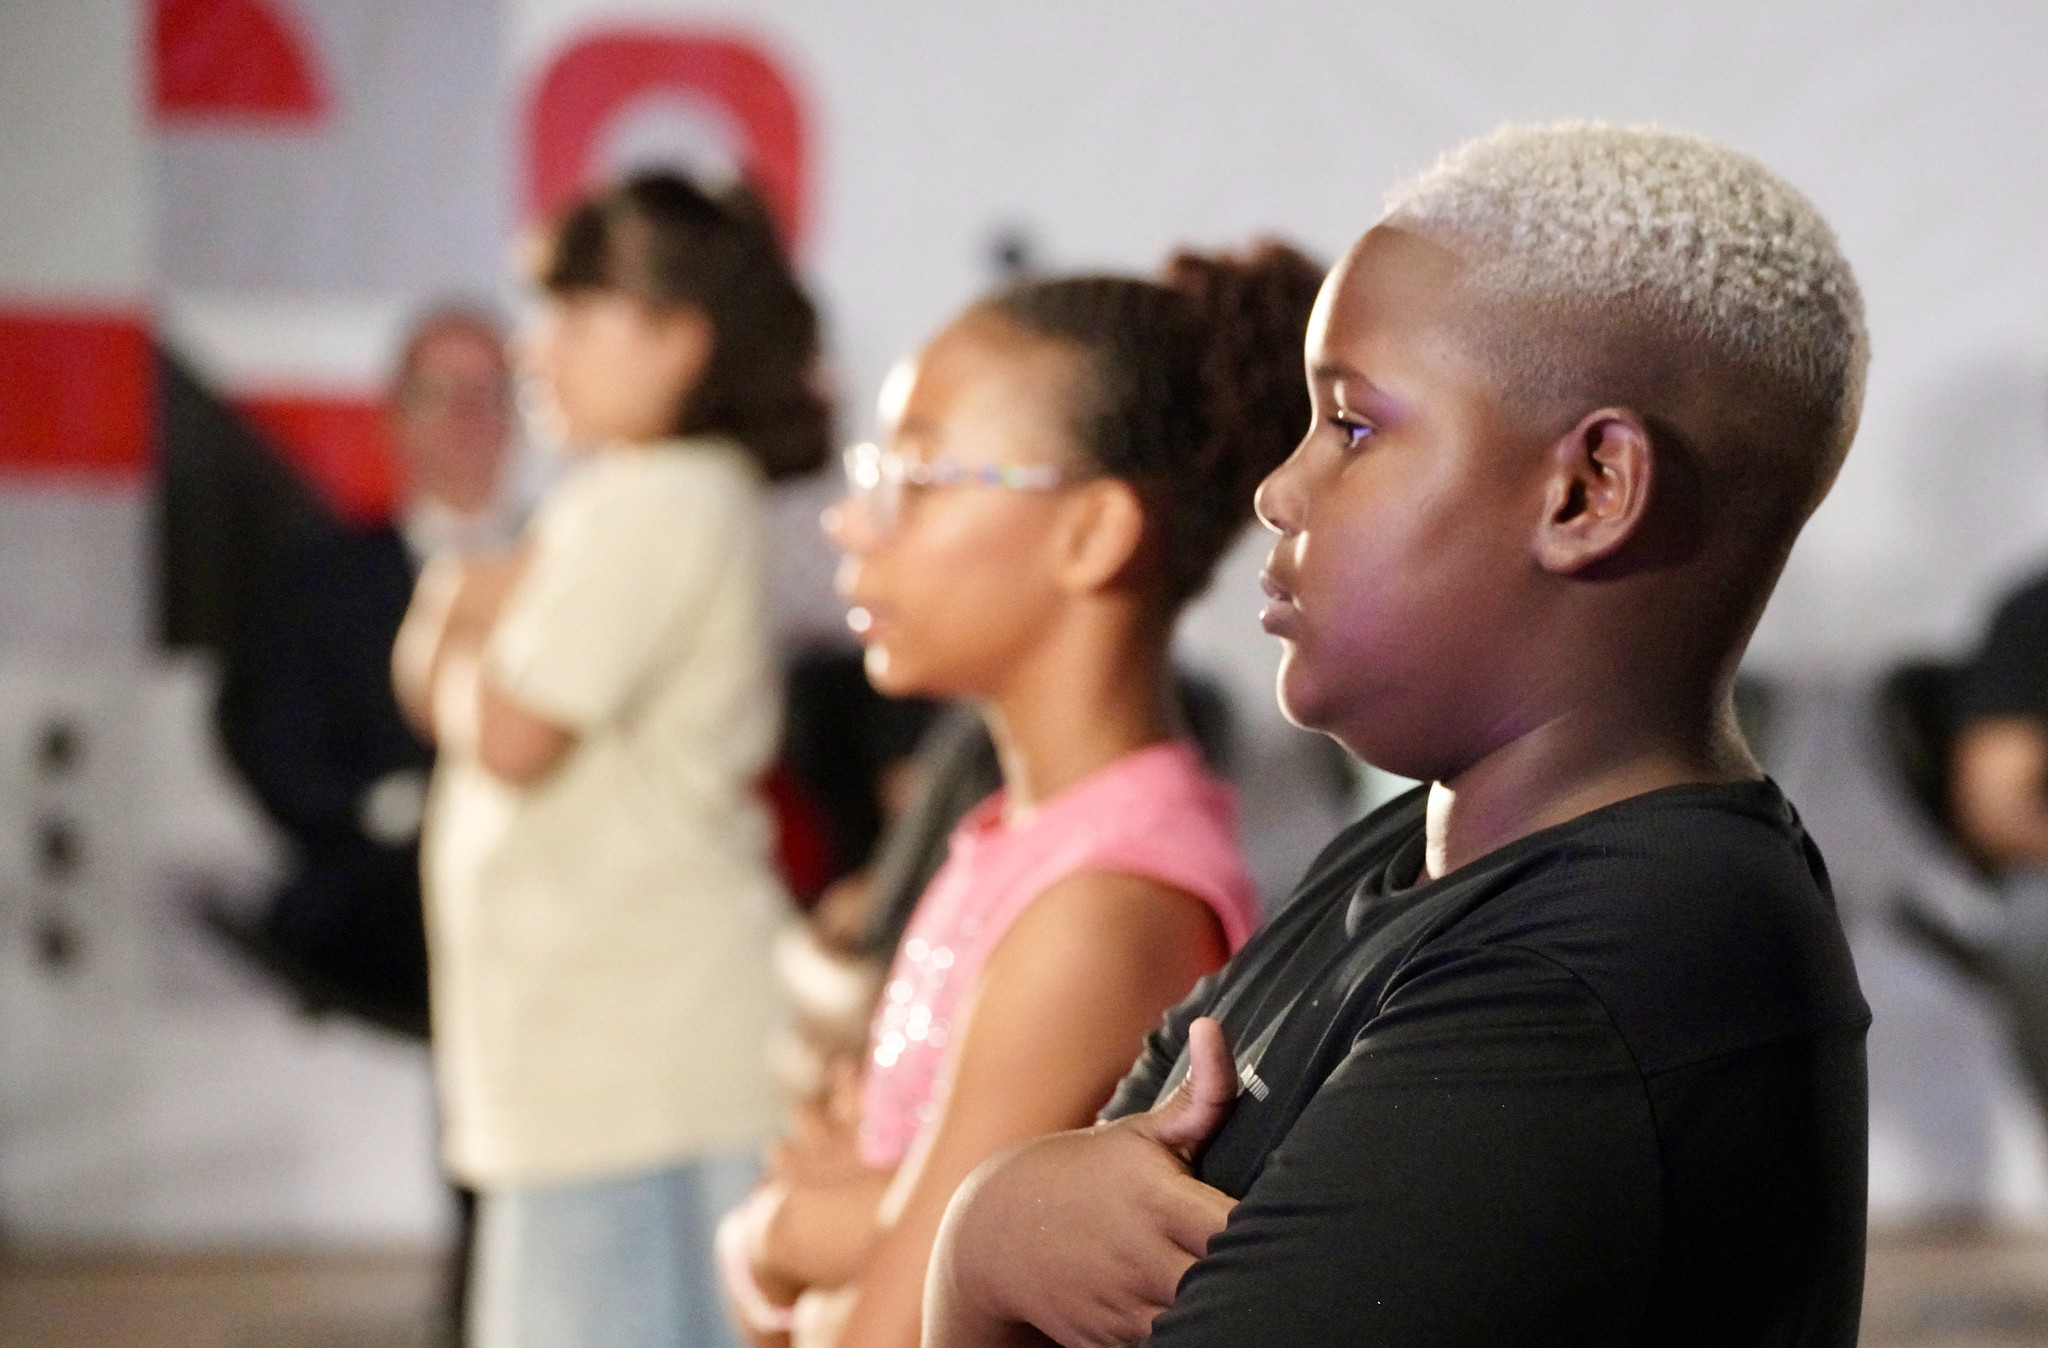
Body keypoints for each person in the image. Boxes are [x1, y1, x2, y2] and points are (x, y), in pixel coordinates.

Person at [926, 122, 1874, 1348]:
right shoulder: (1406, 860)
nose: (1279, 490)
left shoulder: (1606, 965)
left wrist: (978, 1242)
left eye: (1352, 427)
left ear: (1587, 490)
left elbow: (1044, 1258)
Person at [717, 246, 1323, 1348]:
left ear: (1090, 533)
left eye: (916, 476)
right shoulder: (1020, 837)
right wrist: (831, 1235)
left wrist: (782, 1237)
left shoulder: (1105, 907)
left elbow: (891, 1328)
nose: (853, 522)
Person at [392, 171, 829, 1348]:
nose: (538, 348)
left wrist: (451, 620)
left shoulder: (665, 497)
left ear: (681, 338)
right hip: (605, 1061)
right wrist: (460, 630)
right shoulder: (625, 499)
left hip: (637, 1067)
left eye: (580, 315)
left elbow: (508, 730)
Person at [210, 304, 518, 1038]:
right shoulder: (321, 582)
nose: (467, 420)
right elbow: (270, 737)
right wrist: (382, 811)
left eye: (489, 395)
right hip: (379, 937)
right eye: (443, 396)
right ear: (398, 415)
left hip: (542, 934)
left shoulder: (569, 570)